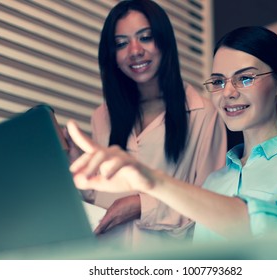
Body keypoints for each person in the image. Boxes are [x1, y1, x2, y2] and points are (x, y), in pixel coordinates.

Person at [67, 26, 277, 243]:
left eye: (245, 78)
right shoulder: (216, 180)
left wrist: (153, 181)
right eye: (218, 81)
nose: (228, 92)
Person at [71, 0, 226, 248]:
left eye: (145, 37)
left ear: (164, 42)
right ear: (112, 56)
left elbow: (212, 206)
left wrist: (141, 205)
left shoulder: (203, 113)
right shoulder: (102, 115)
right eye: (121, 43)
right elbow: (99, 196)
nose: (134, 50)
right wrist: (72, 161)